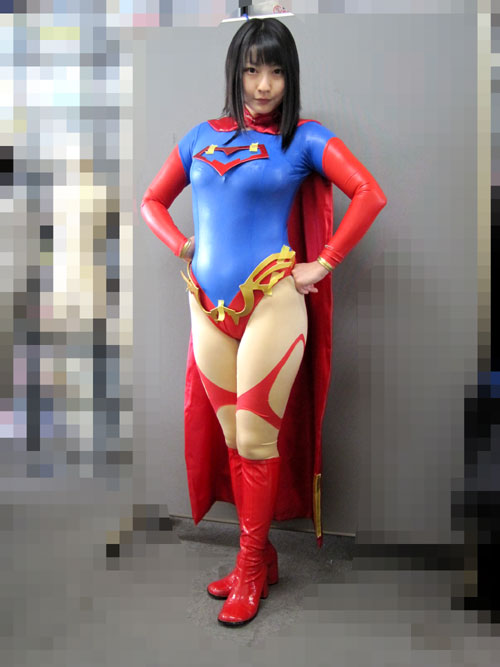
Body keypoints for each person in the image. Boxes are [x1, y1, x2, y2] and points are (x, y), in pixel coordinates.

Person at [141, 18, 387, 627]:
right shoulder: (200, 136)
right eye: (252, 70)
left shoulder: (304, 139)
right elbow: (151, 201)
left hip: (271, 304)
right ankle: (263, 557)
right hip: (206, 308)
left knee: (255, 441)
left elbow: (369, 193)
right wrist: (181, 245)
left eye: (276, 71)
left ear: (289, 75)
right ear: (236, 72)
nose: (263, 84)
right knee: (234, 441)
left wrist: (322, 264)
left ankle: (250, 568)